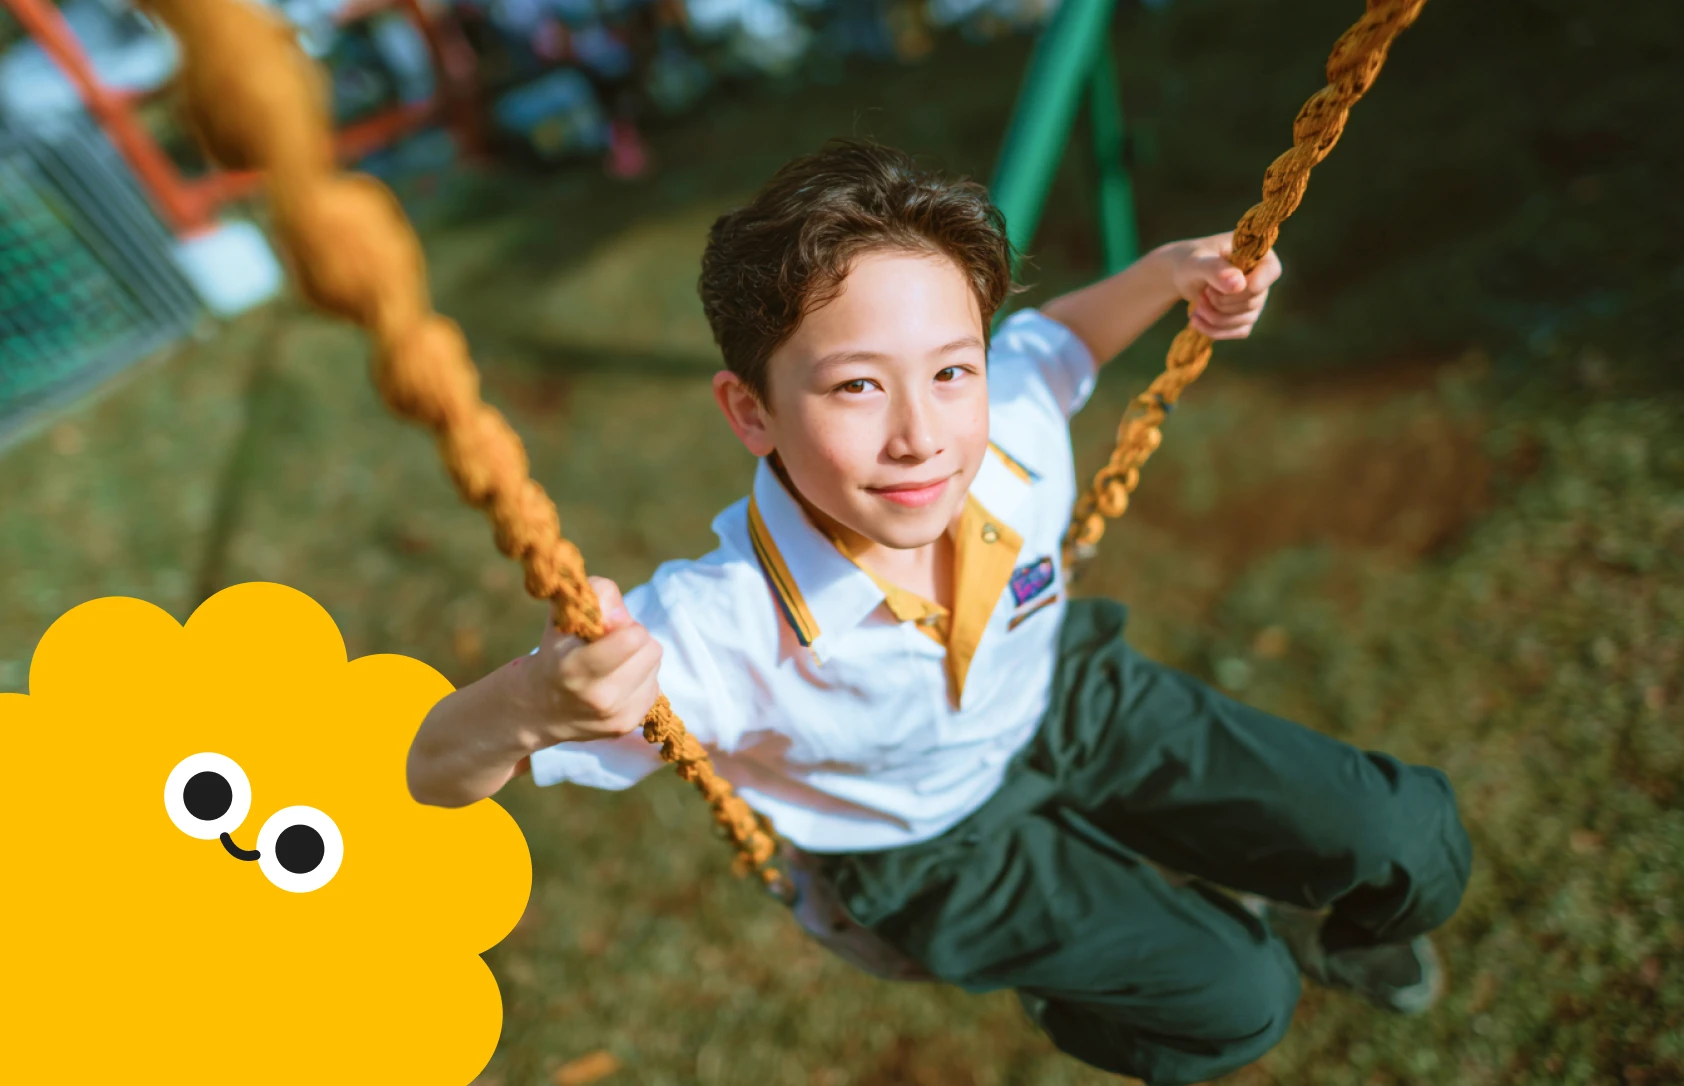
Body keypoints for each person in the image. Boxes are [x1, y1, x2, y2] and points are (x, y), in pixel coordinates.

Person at [405, 139, 1472, 1085]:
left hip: (1065, 697)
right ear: (750, 411)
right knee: (1235, 1003)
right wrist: (534, 704)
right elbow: (432, 772)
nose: (923, 436)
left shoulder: (1001, 429)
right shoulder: (714, 628)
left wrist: (1168, 274)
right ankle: (1113, 976)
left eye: (950, 369)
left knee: (1410, 838)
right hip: (925, 843)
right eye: (857, 387)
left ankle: (1342, 934)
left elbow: (1058, 345)